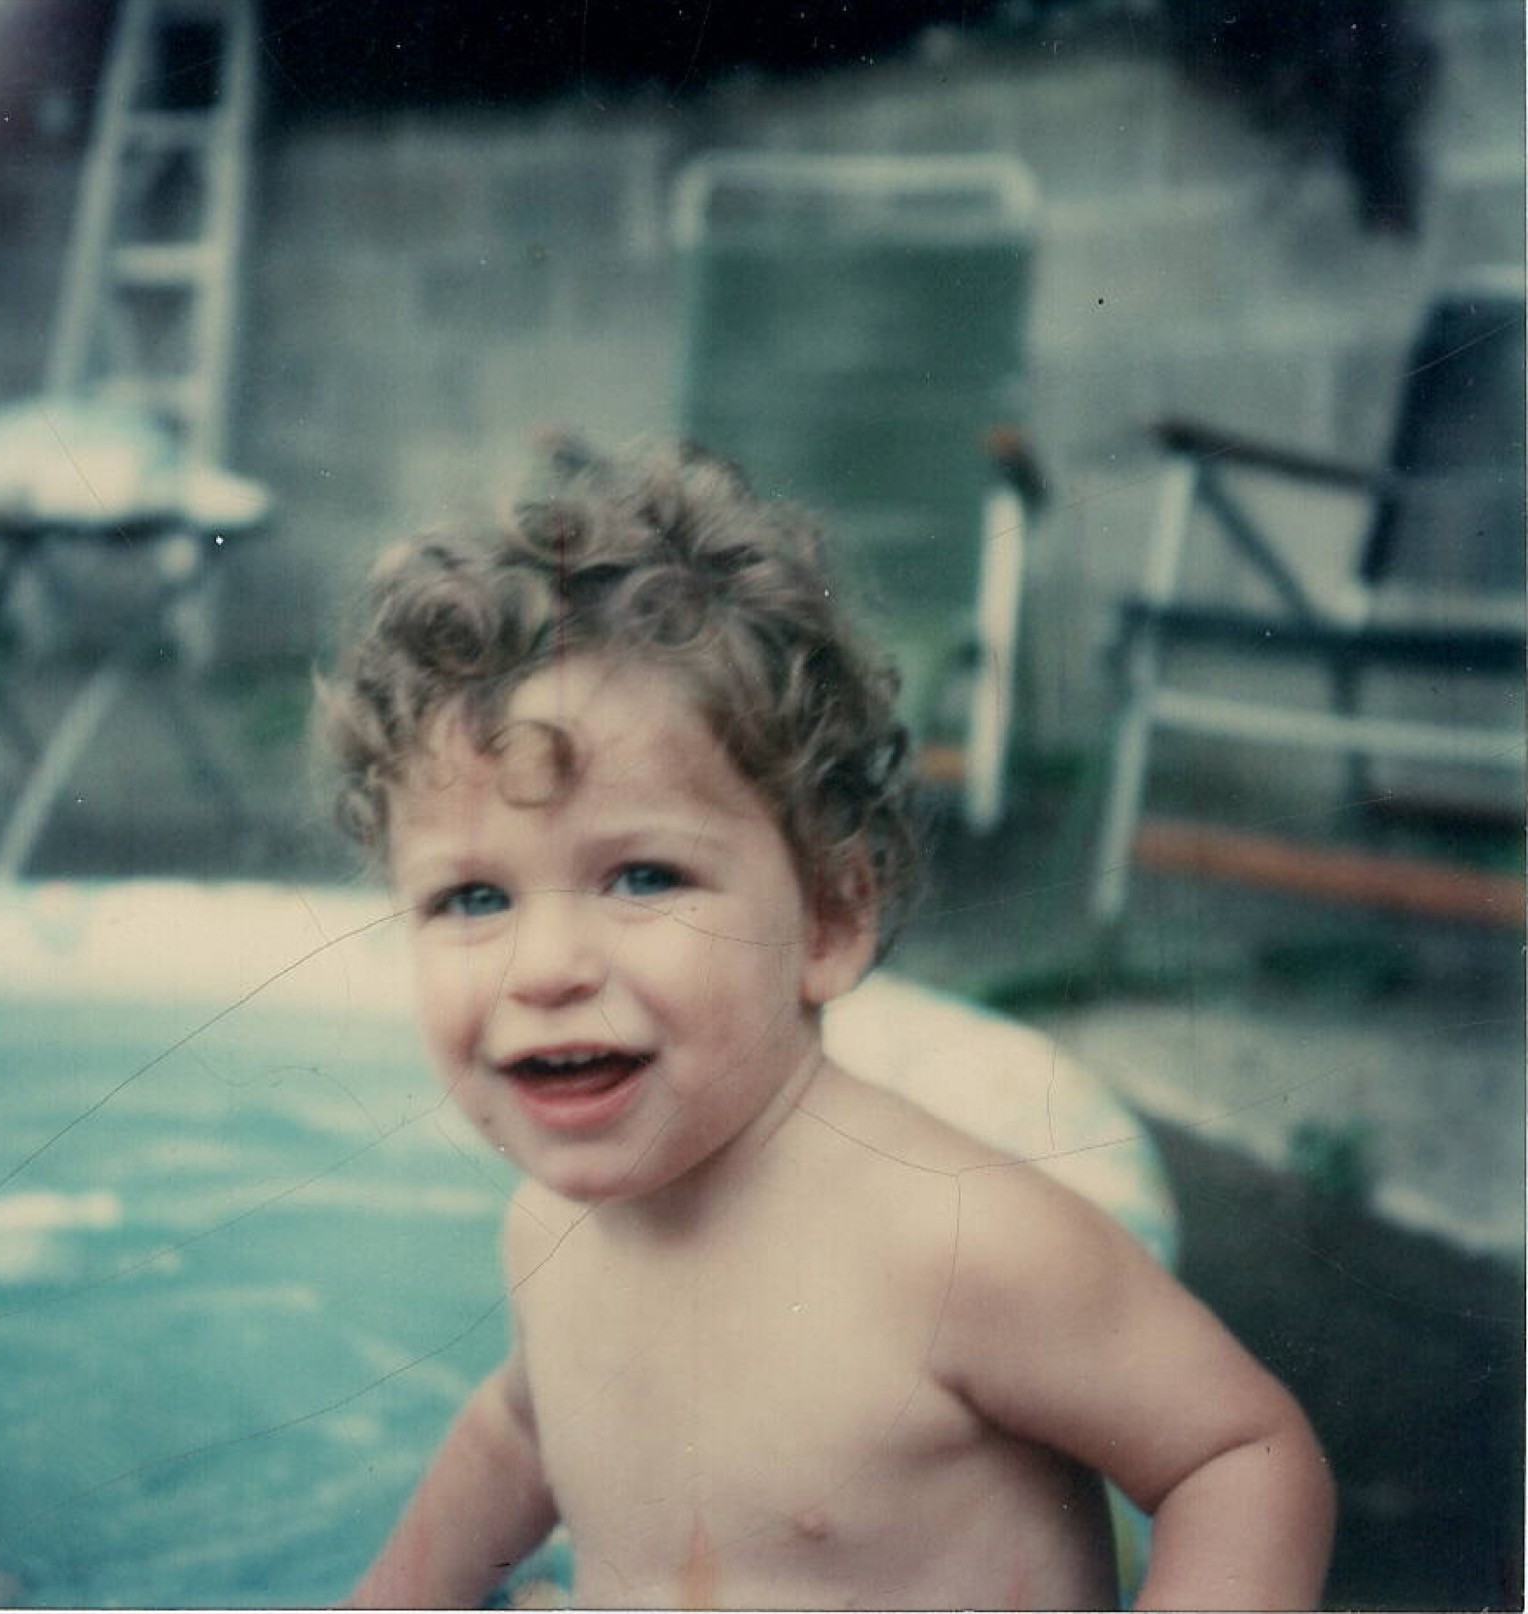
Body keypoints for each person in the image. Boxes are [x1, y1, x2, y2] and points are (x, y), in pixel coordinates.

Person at [318, 438, 1335, 1611]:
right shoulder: (545, 1227)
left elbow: (1241, 1458)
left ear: (829, 916)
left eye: (643, 877)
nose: (545, 969)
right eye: (473, 899)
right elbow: (520, 1428)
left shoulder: (960, 1245)